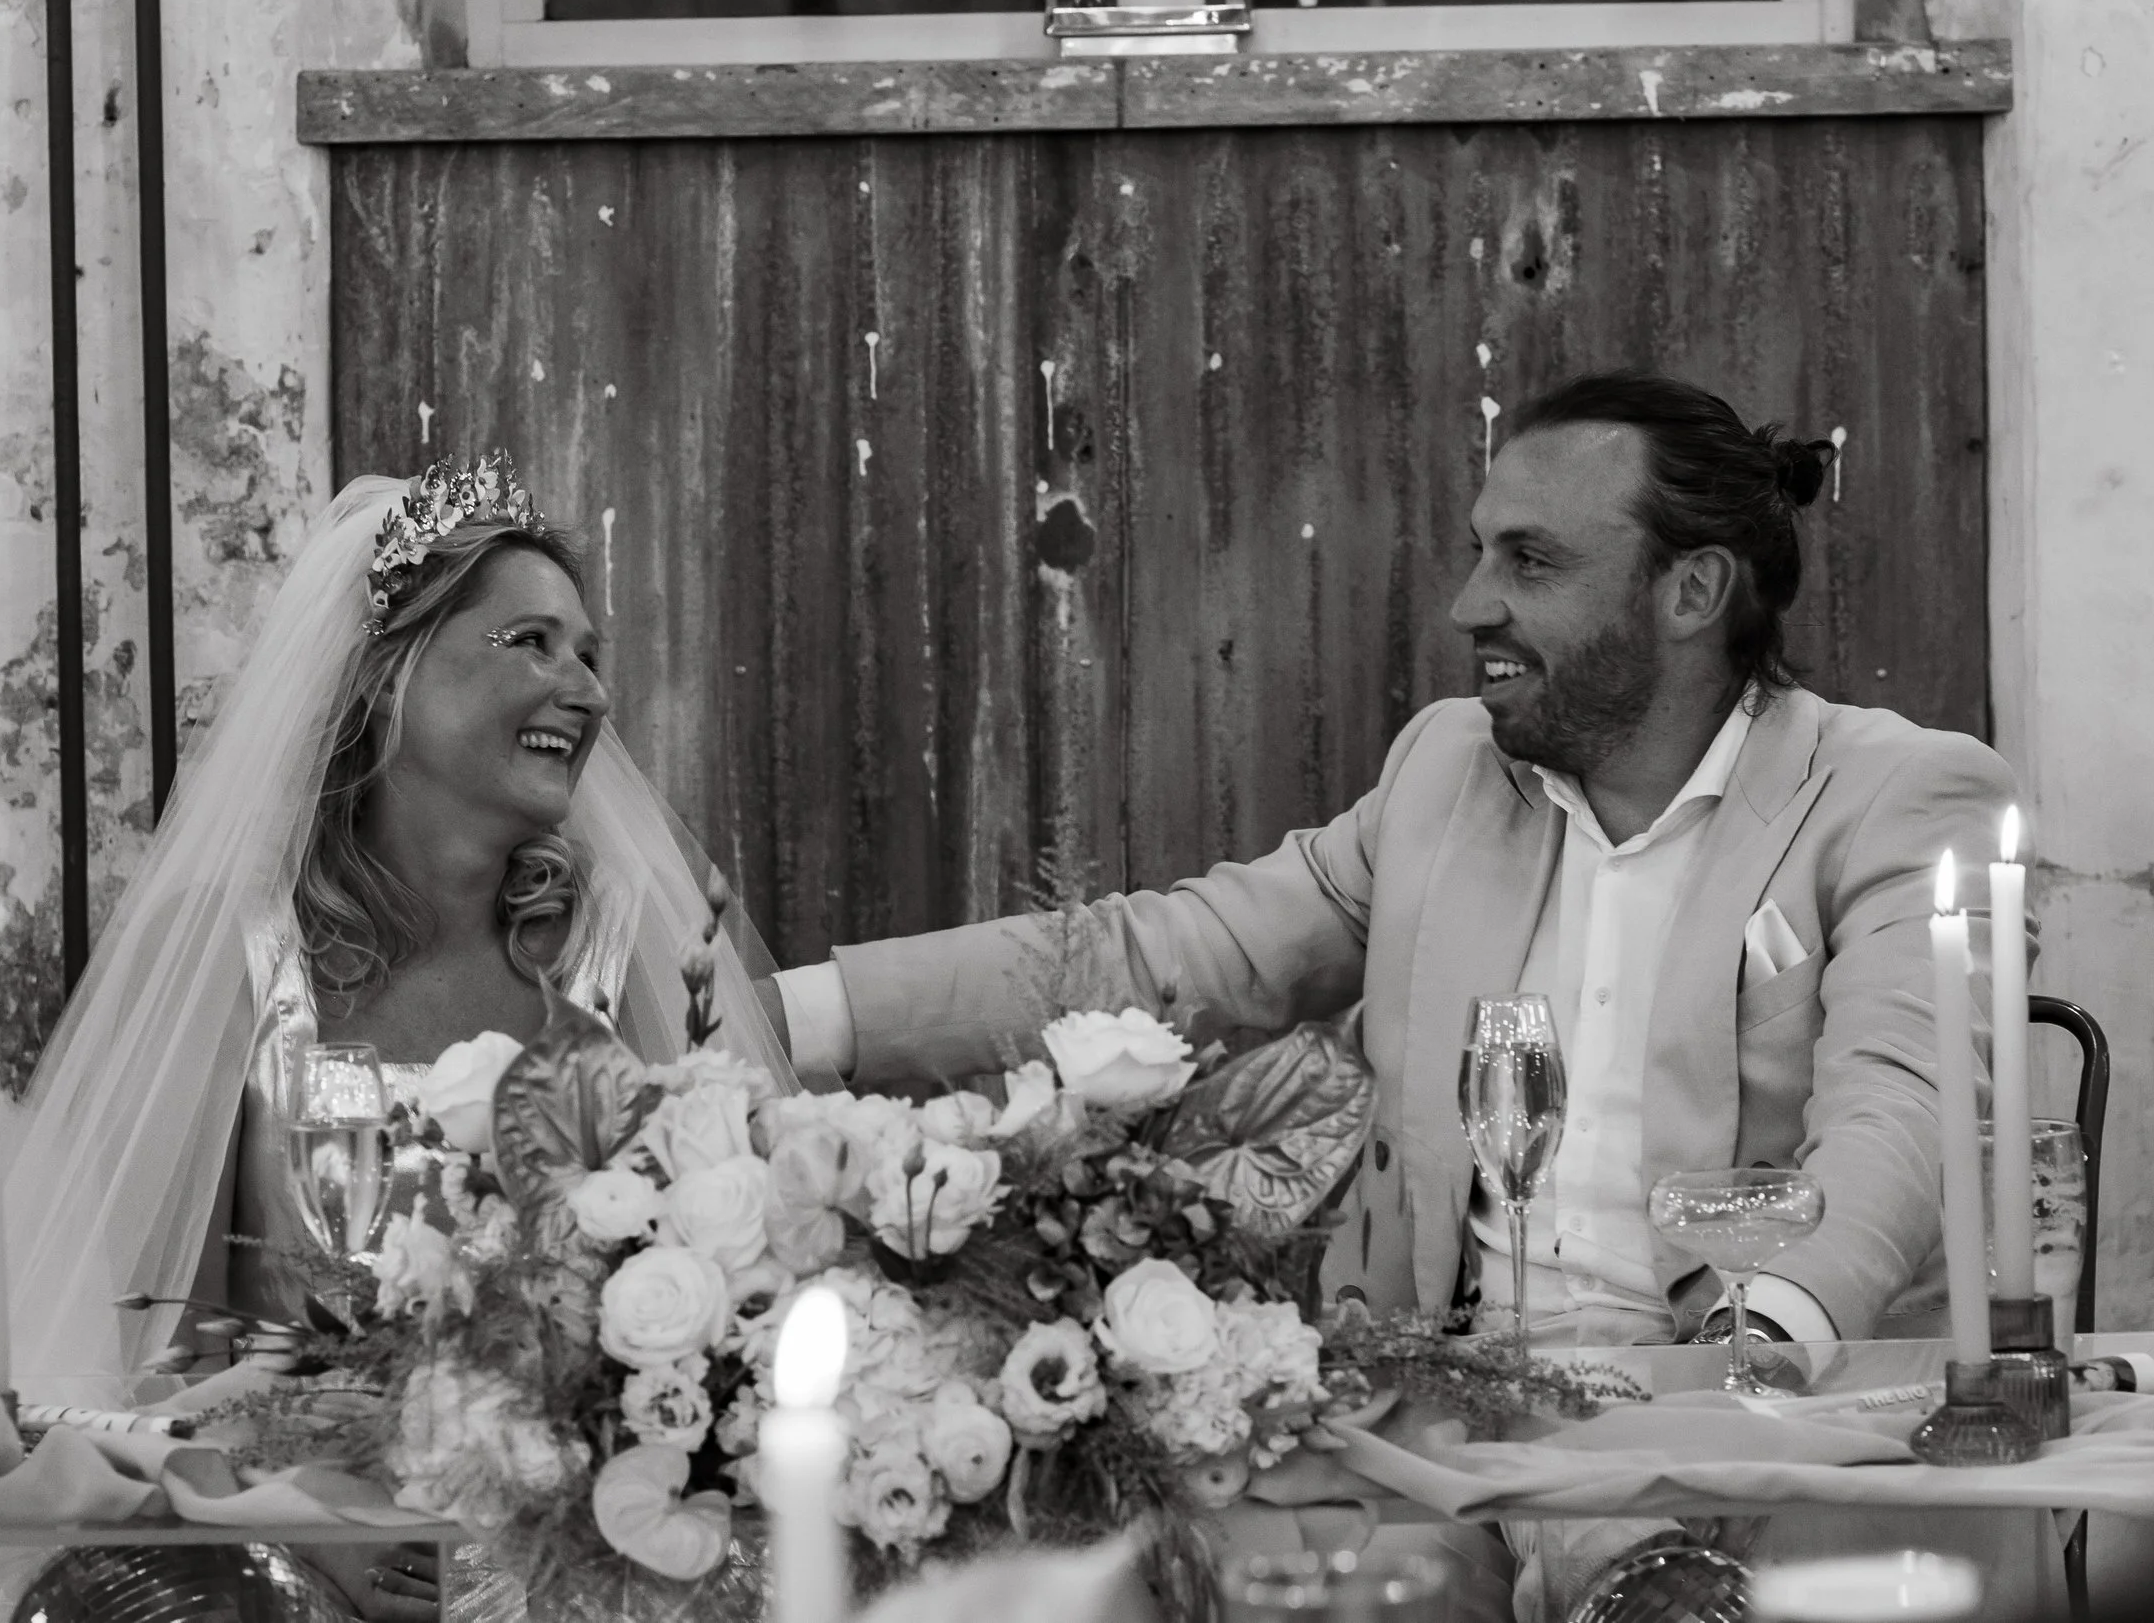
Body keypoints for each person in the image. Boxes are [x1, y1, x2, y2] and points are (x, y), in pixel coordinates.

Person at [765, 370, 2027, 1350]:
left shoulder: (1894, 794)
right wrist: (793, 1016)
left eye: (1529, 560)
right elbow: (1166, 957)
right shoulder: (1446, 769)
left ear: (1689, 590)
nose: (1469, 604)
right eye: (1481, 550)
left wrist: (1771, 1337)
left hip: (1745, 1407)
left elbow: (1901, 1111)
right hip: (1440, 1410)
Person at [2, 461, 796, 1619]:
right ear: (386, 673)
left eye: (589, 655)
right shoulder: (232, 954)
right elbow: (115, 1366)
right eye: (532, 640)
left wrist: (543, 1536)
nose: (584, 690)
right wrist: (299, 1523)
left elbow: (714, 1340)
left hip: (564, 1564)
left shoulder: (619, 963)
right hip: (285, 1567)